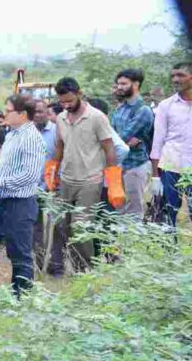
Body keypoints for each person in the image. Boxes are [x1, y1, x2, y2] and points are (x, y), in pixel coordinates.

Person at [45, 78, 124, 273]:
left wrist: (113, 182)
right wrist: (52, 169)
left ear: (80, 94)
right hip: (66, 180)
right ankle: (71, 266)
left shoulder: (97, 117)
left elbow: (109, 149)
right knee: (61, 225)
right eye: (62, 102)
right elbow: (60, 147)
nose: (66, 105)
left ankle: (87, 271)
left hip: (90, 181)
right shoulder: (61, 118)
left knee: (82, 227)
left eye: (70, 101)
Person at [0, 96, 46, 297]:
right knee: (13, 251)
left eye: (8, 111)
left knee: (21, 253)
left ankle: (24, 298)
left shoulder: (30, 137)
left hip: (20, 202)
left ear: (22, 114)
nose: (4, 115)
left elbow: (30, 175)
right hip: (7, 200)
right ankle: (16, 294)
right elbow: (10, 167)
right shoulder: (13, 134)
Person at [151, 62, 192, 228]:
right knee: (168, 215)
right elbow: (158, 140)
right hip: (170, 166)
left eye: (180, 75)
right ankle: (170, 252)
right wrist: (155, 177)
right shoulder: (166, 105)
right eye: (173, 76)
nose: (175, 79)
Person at [110, 69, 154, 218]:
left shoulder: (143, 110)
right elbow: (112, 135)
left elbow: (121, 137)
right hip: (118, 164)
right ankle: (121, 241)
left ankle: (133, 241)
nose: (119, 87)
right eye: (118, 84)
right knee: (118, 207)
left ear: (136, 84)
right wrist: (123, 142)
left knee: (135, 210)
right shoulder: (120, 108)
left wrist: (121, 141)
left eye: (123, 84)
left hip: (135, 165)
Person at [32, 99, 59, 274]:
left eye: (40, 111)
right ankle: (39, 264)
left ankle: (56, 265)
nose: (37, 115)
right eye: (33, 112)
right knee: (35, 228)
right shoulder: (27, 133)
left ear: (47, 113)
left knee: (56, 228)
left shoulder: (57, 132)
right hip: (32, 189)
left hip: (53, 187)